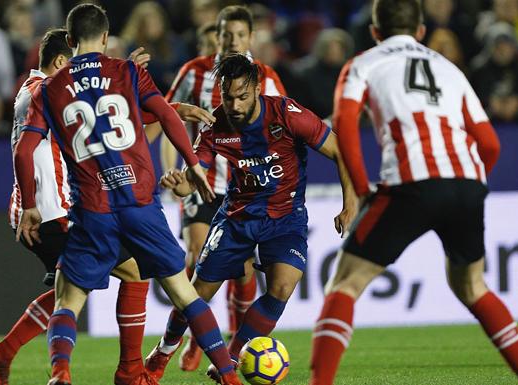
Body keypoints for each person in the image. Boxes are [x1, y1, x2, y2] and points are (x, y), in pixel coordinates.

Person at [308, 1, 518, 385]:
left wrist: (363, 186)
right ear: (420, 30)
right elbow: (490, 144)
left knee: (346, 285)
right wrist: (467, 182)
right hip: (467, 182)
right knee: (472, 286)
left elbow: (347, 126)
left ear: (374, 32)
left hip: (411, 181)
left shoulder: (363, 64)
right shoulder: (450, 69)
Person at [13, 5, 242, 385]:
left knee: (68, 298)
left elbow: (24, 150)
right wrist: (195, 164)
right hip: (139, 202)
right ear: (105, 37)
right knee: (185, 294)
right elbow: (169, 117)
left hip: (92, 208)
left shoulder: (50, 88)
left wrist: (31, 205)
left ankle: (60, 372)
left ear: (70, 41)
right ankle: (230, 376)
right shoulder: (127, 71)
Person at [145, 53, 358, 383]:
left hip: (285, 217)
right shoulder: (216, 126)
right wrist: (180, 183)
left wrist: (350, 202)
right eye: (228, 97)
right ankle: (163, 350)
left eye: (242, 97)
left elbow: (340, 150)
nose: (235, 105)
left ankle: (230, 358)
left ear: (257, 89)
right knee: (196, 294)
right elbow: (192, 179)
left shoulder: (287, 114)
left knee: (283, 286)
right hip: (237, 218)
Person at [0, 28, 159, 385]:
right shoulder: (44, 92)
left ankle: (5, 353)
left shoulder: (31, 91)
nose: (84, 74)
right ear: (61, 62)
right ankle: (130, 371)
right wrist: (123, 73)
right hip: (53, 212)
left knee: (72, 290)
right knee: (134, 271)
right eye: (77, 64)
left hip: (47, 211)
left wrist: (125, 78)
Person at [157, 6, 287, 371]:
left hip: (245, 189)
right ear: (218, 36)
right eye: (226, 35)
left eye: (239, 36)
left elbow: (282, 126)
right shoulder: (194, 72)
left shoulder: (267, 78)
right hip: (203, 184)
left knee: (243, 270)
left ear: (250, 38)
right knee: (199, 257)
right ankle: (194, 337)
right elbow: (167, 115)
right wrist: (176, 165)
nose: (231, 41)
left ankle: (233, 340)